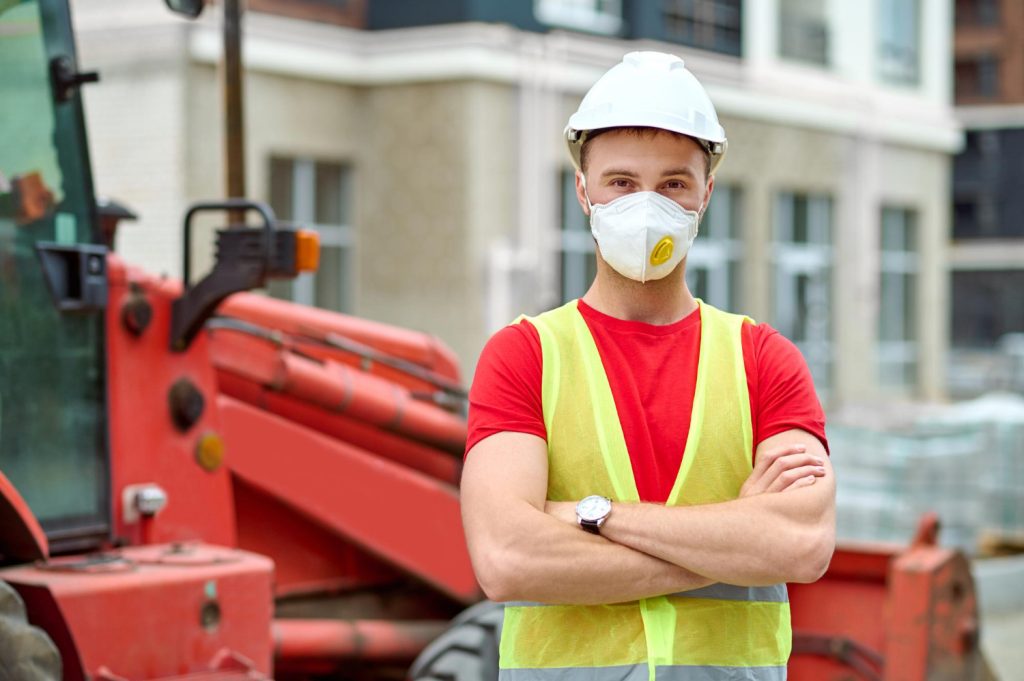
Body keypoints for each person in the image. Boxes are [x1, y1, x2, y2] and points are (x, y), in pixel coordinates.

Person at [460, 51, 836, 680]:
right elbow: (506, 560)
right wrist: (736, 546)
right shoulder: (524, 355)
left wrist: (592, 516)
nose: (646, 205)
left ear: (706, 194)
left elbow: (801, 545)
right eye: (621, 182)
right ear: (583, 189)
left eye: (673, 184)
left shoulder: (762, 359)